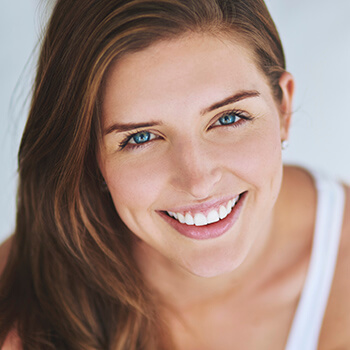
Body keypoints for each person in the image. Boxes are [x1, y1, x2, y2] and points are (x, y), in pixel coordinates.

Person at [0, 0, 349, 349]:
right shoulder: (19, 297)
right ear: (89, 157)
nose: (198, 182)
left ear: (283, 108)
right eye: (141, 138)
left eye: (228, 118)